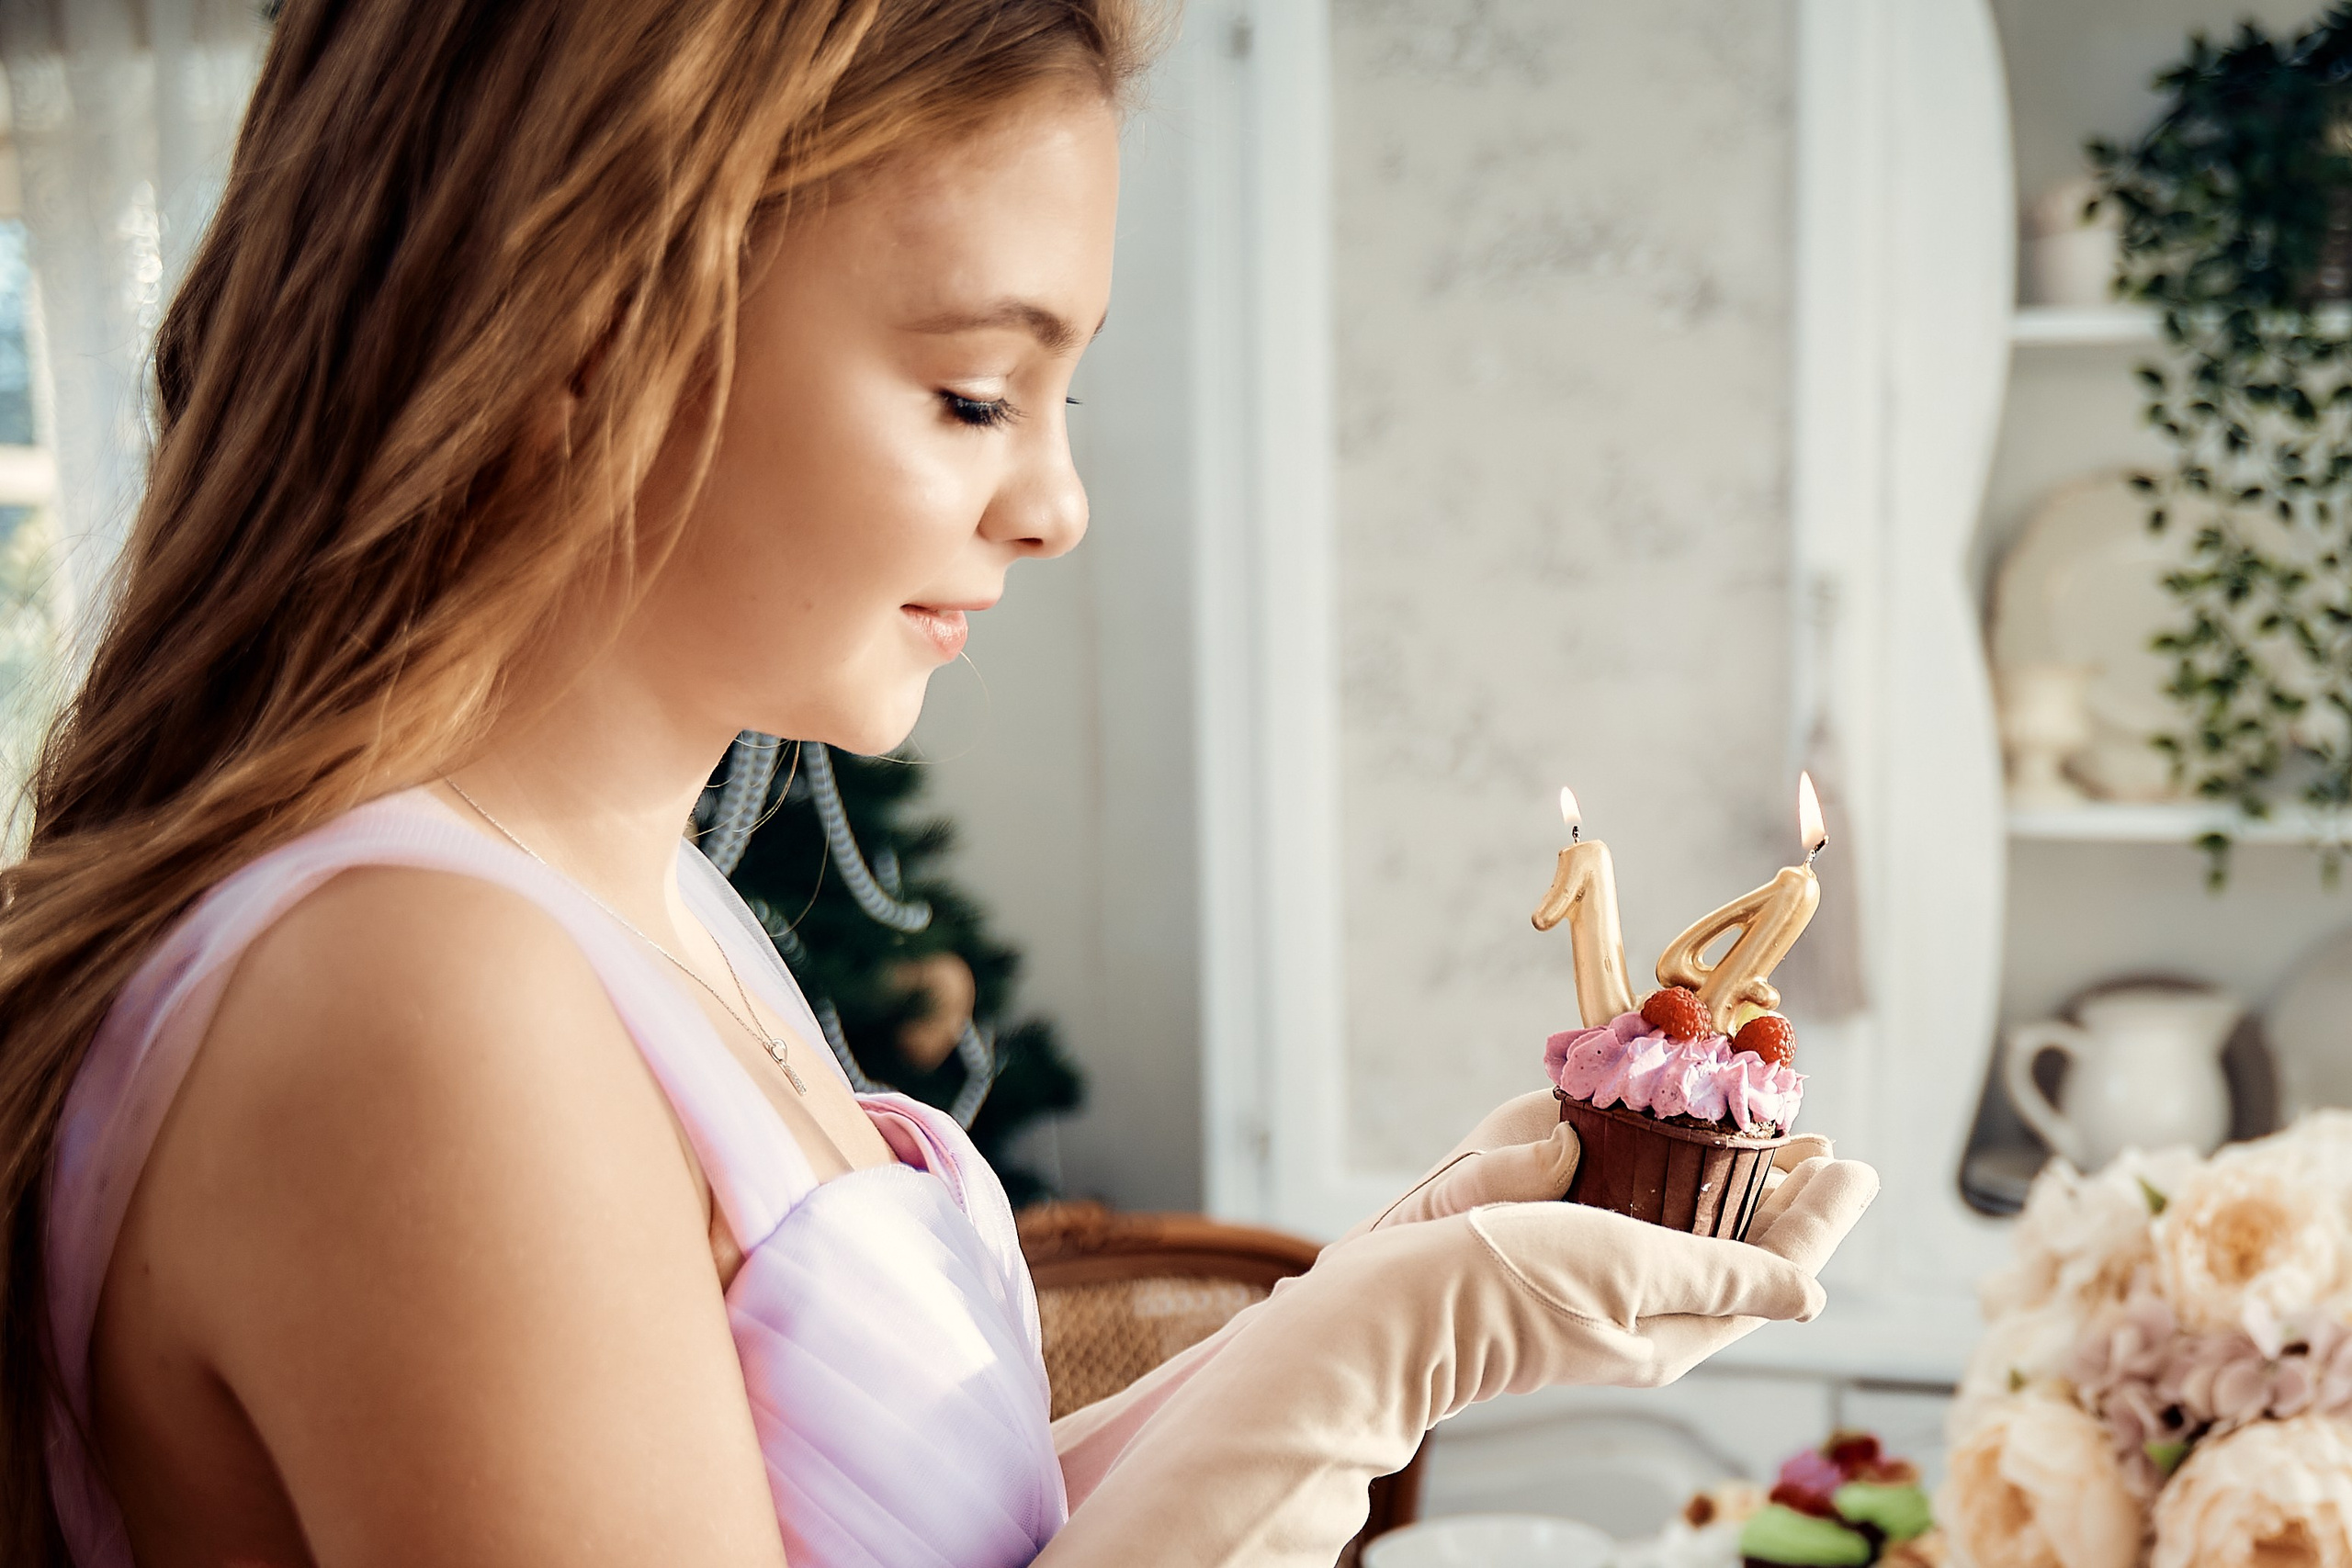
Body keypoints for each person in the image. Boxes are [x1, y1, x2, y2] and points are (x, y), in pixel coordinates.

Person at [0, 1, 1879, 1563]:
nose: (1052, 504)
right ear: (576, 338)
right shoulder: (418, 1000)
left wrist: (1377, 1297)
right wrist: (1354, 1363)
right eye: (976, 392)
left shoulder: (634, 908)